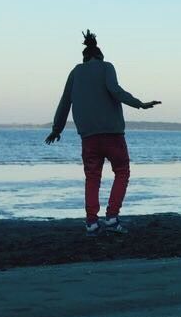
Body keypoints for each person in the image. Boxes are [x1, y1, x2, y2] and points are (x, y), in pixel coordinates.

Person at [45, 30, 161, 234]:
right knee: (122, 172)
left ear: (85, 57)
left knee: (92, 177)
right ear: (100, 56)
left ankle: (91, 222)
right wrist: (139, 104)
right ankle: (112, 217)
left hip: (88, 137)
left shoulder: (75, 72)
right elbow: (115, 90)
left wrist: (57, 129)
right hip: (113, 134)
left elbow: (65, 101)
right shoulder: (107, 67)